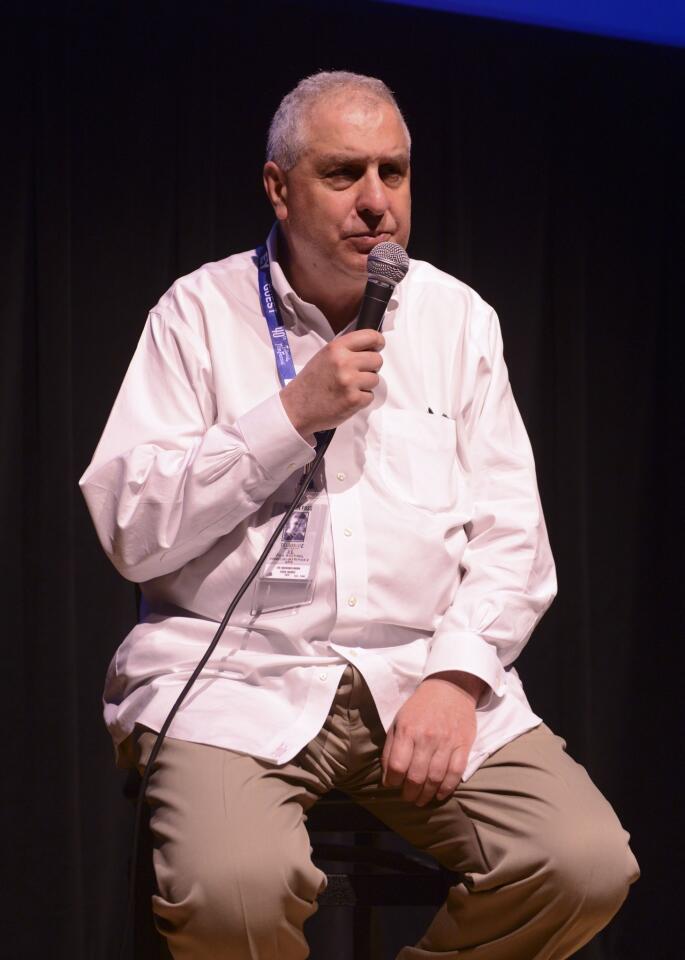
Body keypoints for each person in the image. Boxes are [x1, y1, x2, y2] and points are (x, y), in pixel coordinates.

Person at [80, 71, 638, 959]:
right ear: (278, 187)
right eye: (344, 174)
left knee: (581, 864)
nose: (376, 203)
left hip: (419, 675)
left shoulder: (456, 319)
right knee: (233, 893)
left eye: (395, 172)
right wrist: (288, 415)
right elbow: (128, 528)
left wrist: (457, 678)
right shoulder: (197, 313)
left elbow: (510, 535)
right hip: (238, 680)